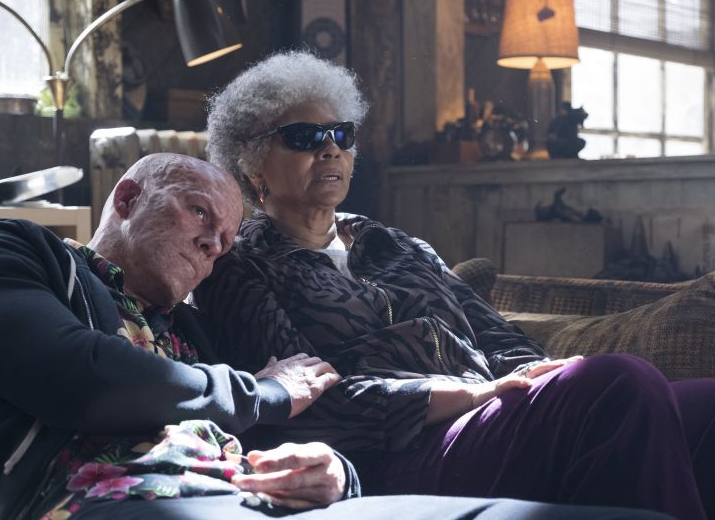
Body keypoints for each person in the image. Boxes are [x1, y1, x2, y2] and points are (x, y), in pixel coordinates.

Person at [0, 153, 651, 520]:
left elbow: (294, 428)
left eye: (228, 236)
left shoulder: (195, 327)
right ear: (130, 197)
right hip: (98, 501)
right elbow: (85, 379)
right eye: (201, 214)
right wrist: (265, 391)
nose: (215, 244)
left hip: (257, 503)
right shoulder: (8, 254)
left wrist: (334, 469)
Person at [195, 51, 715, 520]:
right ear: (251, 161)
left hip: (488, 418)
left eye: (342, 134)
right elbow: (298, 402)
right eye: (305, 137)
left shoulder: (396, 245)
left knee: (703, 405)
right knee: (620, 384)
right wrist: (469, 395)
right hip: (390, 452)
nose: (330, 149)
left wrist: (535, 375)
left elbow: (498, 335)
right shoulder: (240, 265)